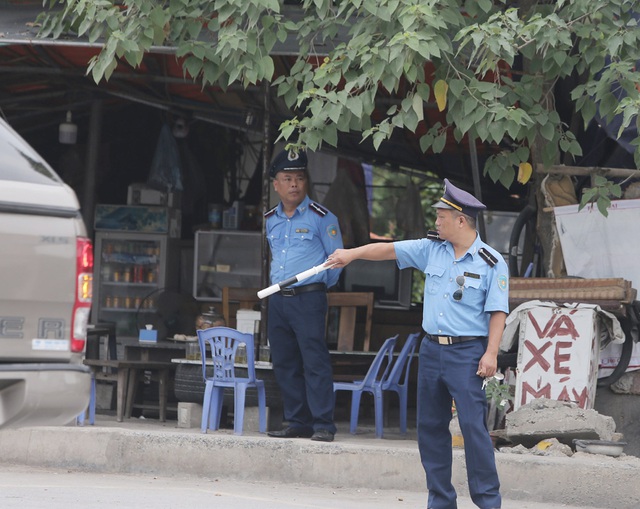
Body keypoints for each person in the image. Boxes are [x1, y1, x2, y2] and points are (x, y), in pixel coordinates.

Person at [327, 178, 508, 509]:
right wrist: (351, 254)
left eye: (441, 216)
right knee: (430, 428)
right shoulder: (431, 250)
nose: (436, 222)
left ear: (461, 220)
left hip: (468, 353)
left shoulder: (490, 261)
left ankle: (488, 502)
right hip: (431, 349)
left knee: (472, 428)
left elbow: (498, 312)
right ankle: (440, 502)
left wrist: (491, 353)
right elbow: (389, 249)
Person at [263, 148, 344, 443]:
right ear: (277, 185)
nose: (294, 184)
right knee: (284, 361)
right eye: (287, 178)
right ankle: (298, 421)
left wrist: (318, 287)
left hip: (309, 297)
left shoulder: (322, 217)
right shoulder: (270, 219)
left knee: (314, 361)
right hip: (278, 299)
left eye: (299, 178)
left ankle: (323, 423)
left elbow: (337, 262)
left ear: (306, 181)